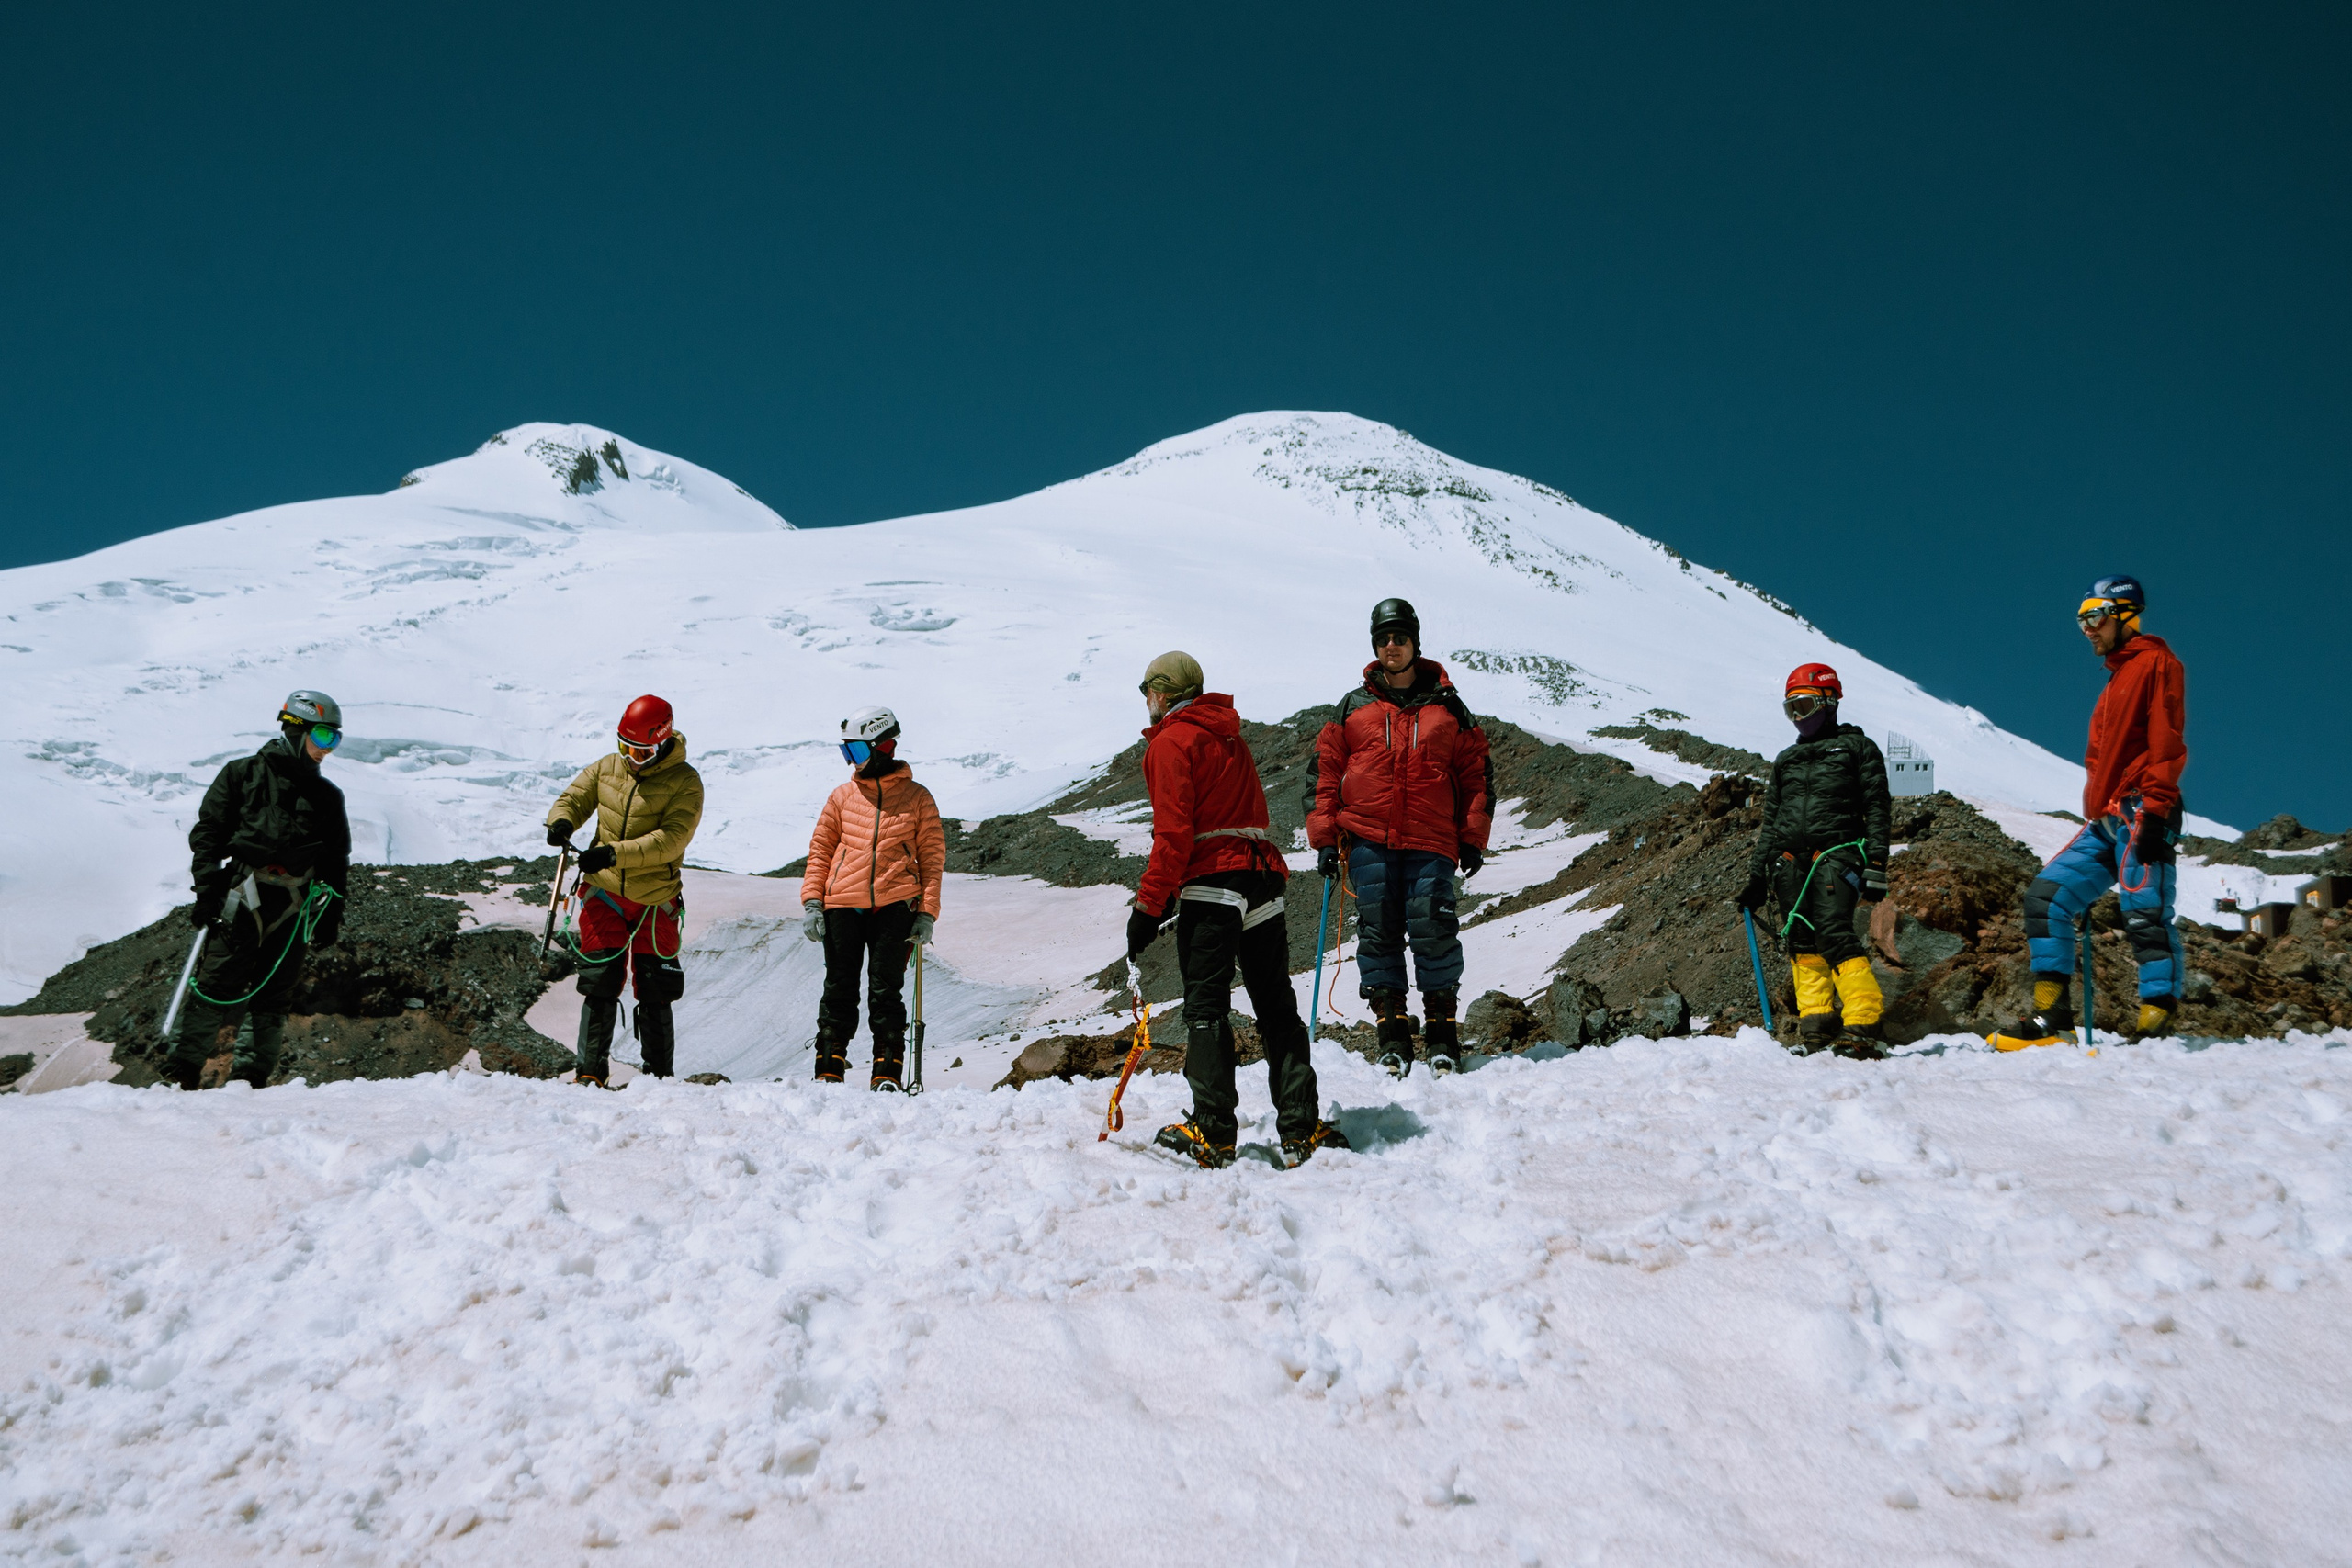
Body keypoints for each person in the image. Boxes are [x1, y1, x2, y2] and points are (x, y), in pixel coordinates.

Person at [1128, 653, 1346, 1168]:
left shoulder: (1171, 742)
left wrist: (1149, 905)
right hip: (1261, 875)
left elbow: (1174, 834)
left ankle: (1213, 1131)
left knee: (1206, 1010)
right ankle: (1300, 1127)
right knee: (1276, 1006)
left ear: (1162, 692)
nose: (1144, 702)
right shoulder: (1230, 736)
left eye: (1146, 692)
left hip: (1213, 883)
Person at [1991, 576, 2188, 1049]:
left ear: (2123, 614)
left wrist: (2157, 811)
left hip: (2144, 807)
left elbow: (2166, 740)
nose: (2086, 629)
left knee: (2144, 913)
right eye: (2080, 621)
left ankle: (2155, 1025)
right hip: (2107, 818)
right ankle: (2051, 1022)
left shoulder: (2157, 663)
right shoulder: (2117, 679)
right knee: (2046, 900)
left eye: (2094, 617)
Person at [1302, 598, 1494, 1077]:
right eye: (1384, 638)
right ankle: (1392, 1037)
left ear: (1415, 642)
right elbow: (1324, 773)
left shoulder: (1449, 707)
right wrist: (1326, 839)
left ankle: (1443, 1037)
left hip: (1432, 840)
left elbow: (1476, 775)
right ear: (1375, 644)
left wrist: (1472, 837)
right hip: (1368, 837)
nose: (1392, 645)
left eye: (1400, 637)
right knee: (1378, 933)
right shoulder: (1354, 706)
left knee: (1434, 930)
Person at [165, 690, 352, 1090]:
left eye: (334, 740)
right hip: (241, 897)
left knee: (275, 993)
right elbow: (209, 837)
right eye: (322, 738)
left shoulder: (327, 797)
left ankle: (251, 1080)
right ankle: (181, 1072)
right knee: (217, 984)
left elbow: (336, 860)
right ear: (295, 728)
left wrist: (331, 913)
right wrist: (207, 893)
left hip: (295, 905)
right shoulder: (241, 775)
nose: (327, 750)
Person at [546, 694, 704, 1086]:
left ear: (662, 740)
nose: (631, 757)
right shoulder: (608, 767)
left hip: (654, 899)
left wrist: (612, 854)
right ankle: (589, 1074)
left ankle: (659, 1079)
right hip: (604, 894)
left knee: (655, 987)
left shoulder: (685, 783)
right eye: (625, 747)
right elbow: (576, 797)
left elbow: (671, 840)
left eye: (641, 750)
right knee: (599, 981)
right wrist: (562, 821)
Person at [1736, 663, 1892, 1057]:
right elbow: (1770, 824)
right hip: (1788, 863)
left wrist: (1876, 863)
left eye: (1804, 706)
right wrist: (1757, 878)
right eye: (1791, 710)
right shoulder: (1786, 760)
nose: (1798, 718)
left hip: (1838, 854)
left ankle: (1862, 1024)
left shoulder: (1858, 748)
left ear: (1830, 701)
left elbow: (1877, 807)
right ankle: (1817, 1031)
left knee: (1834, 931)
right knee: (1802, 943)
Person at [800, 707, 944, 1089]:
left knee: (885, 990)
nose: (853, 763)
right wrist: (813, 902)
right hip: (841, 905)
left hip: (896, 906)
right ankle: (828, 1067)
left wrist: (926, 913)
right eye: (848, 754)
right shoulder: (841, 797)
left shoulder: (918, 798)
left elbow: (932, 859)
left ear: (884, 747)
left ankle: (887, 1073)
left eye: (858, 753)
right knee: (839, 987)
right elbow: (820, 851)